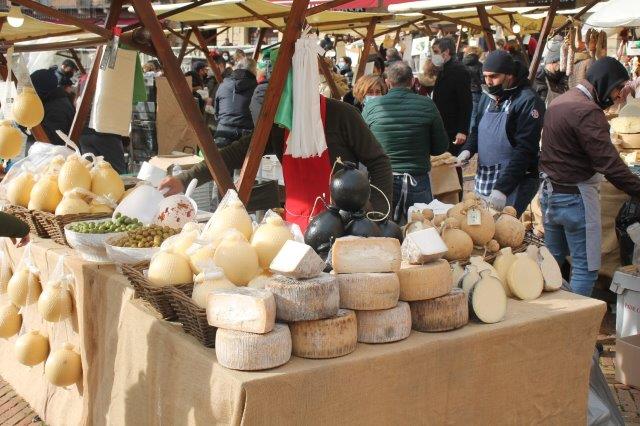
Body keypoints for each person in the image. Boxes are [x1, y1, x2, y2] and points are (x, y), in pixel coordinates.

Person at [158, 96, 393, 231]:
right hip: (296, 225)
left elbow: (379, 162)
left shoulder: (342, 114)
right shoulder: (279, 125)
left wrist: (379, 215)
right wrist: (185, 179)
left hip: (347, 224)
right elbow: (235, 153)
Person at [539, 57, 639, 297]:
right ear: (604, 82)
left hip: (550, 195)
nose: (618, 95)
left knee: (551, 265)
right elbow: (609, 164)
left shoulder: (559, 102)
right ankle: (576, 319)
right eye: (617, 88)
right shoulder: (587, 111)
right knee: (585, 269)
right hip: (576, 199)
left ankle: (552, 314)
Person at [457, 50, 544, 216]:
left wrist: (502, 189)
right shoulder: (488, 96)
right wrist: (467, 150)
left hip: (516, 181)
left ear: (509, 75)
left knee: (505, 228)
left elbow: (525, 150)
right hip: (485, 178)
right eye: (485, 76)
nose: (488, 82)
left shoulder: (527, 101)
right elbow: (477, 129)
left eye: (494, 76)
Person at [363, 61, 449, 223]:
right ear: (412, 81)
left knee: (383, 229)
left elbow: (363, 145)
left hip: (383, 181)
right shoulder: (427, 105)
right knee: (421, 231)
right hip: (418, 181)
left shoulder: (371, 107)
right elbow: (440, 147)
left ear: (387, 82)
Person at [431, 37, 472, 182]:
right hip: (445, 126)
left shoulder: (458, 70)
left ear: (446, 52)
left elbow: (466, 102)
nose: (434, 55)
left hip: (453, 129)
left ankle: (455, 192)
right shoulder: (444, 69)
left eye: (436, 51)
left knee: (453, 166)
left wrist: (462, 130)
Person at [214, 57, 258, 147]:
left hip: (222, 133)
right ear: (254, 70)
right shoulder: (257, 87)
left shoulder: (223, 85)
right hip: (246, 137)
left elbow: (216, 113)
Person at [29, 69, 75, 146]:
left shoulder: (56, 108)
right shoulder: (52, 101)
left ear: (40, 88)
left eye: (32, 89)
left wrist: (26, 124)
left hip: (54, 152)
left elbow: (49, 140)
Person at [463, 45, 484, 132]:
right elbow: (483, 80)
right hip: (476, 92)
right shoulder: (480, 65)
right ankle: (472, 134)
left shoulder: (461, 64)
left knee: (465, 114)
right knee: (474, 115)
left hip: (463, 92)